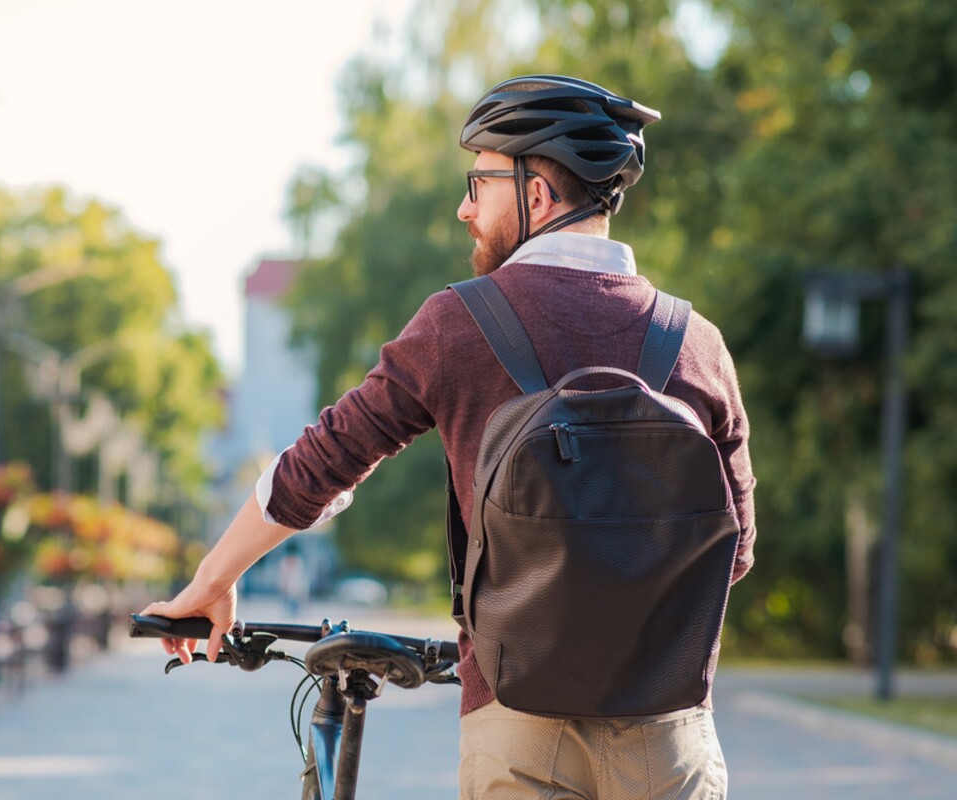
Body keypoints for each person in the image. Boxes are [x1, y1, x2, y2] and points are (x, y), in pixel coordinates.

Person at [142, 74, 756, 799]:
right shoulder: (696, 343)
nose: (465, 207)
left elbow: (321, 466)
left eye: (480, 181)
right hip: (670, 736)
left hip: (518, 726)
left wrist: (212, 582)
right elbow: (736, 549)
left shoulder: (460, 324)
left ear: (536, 195)